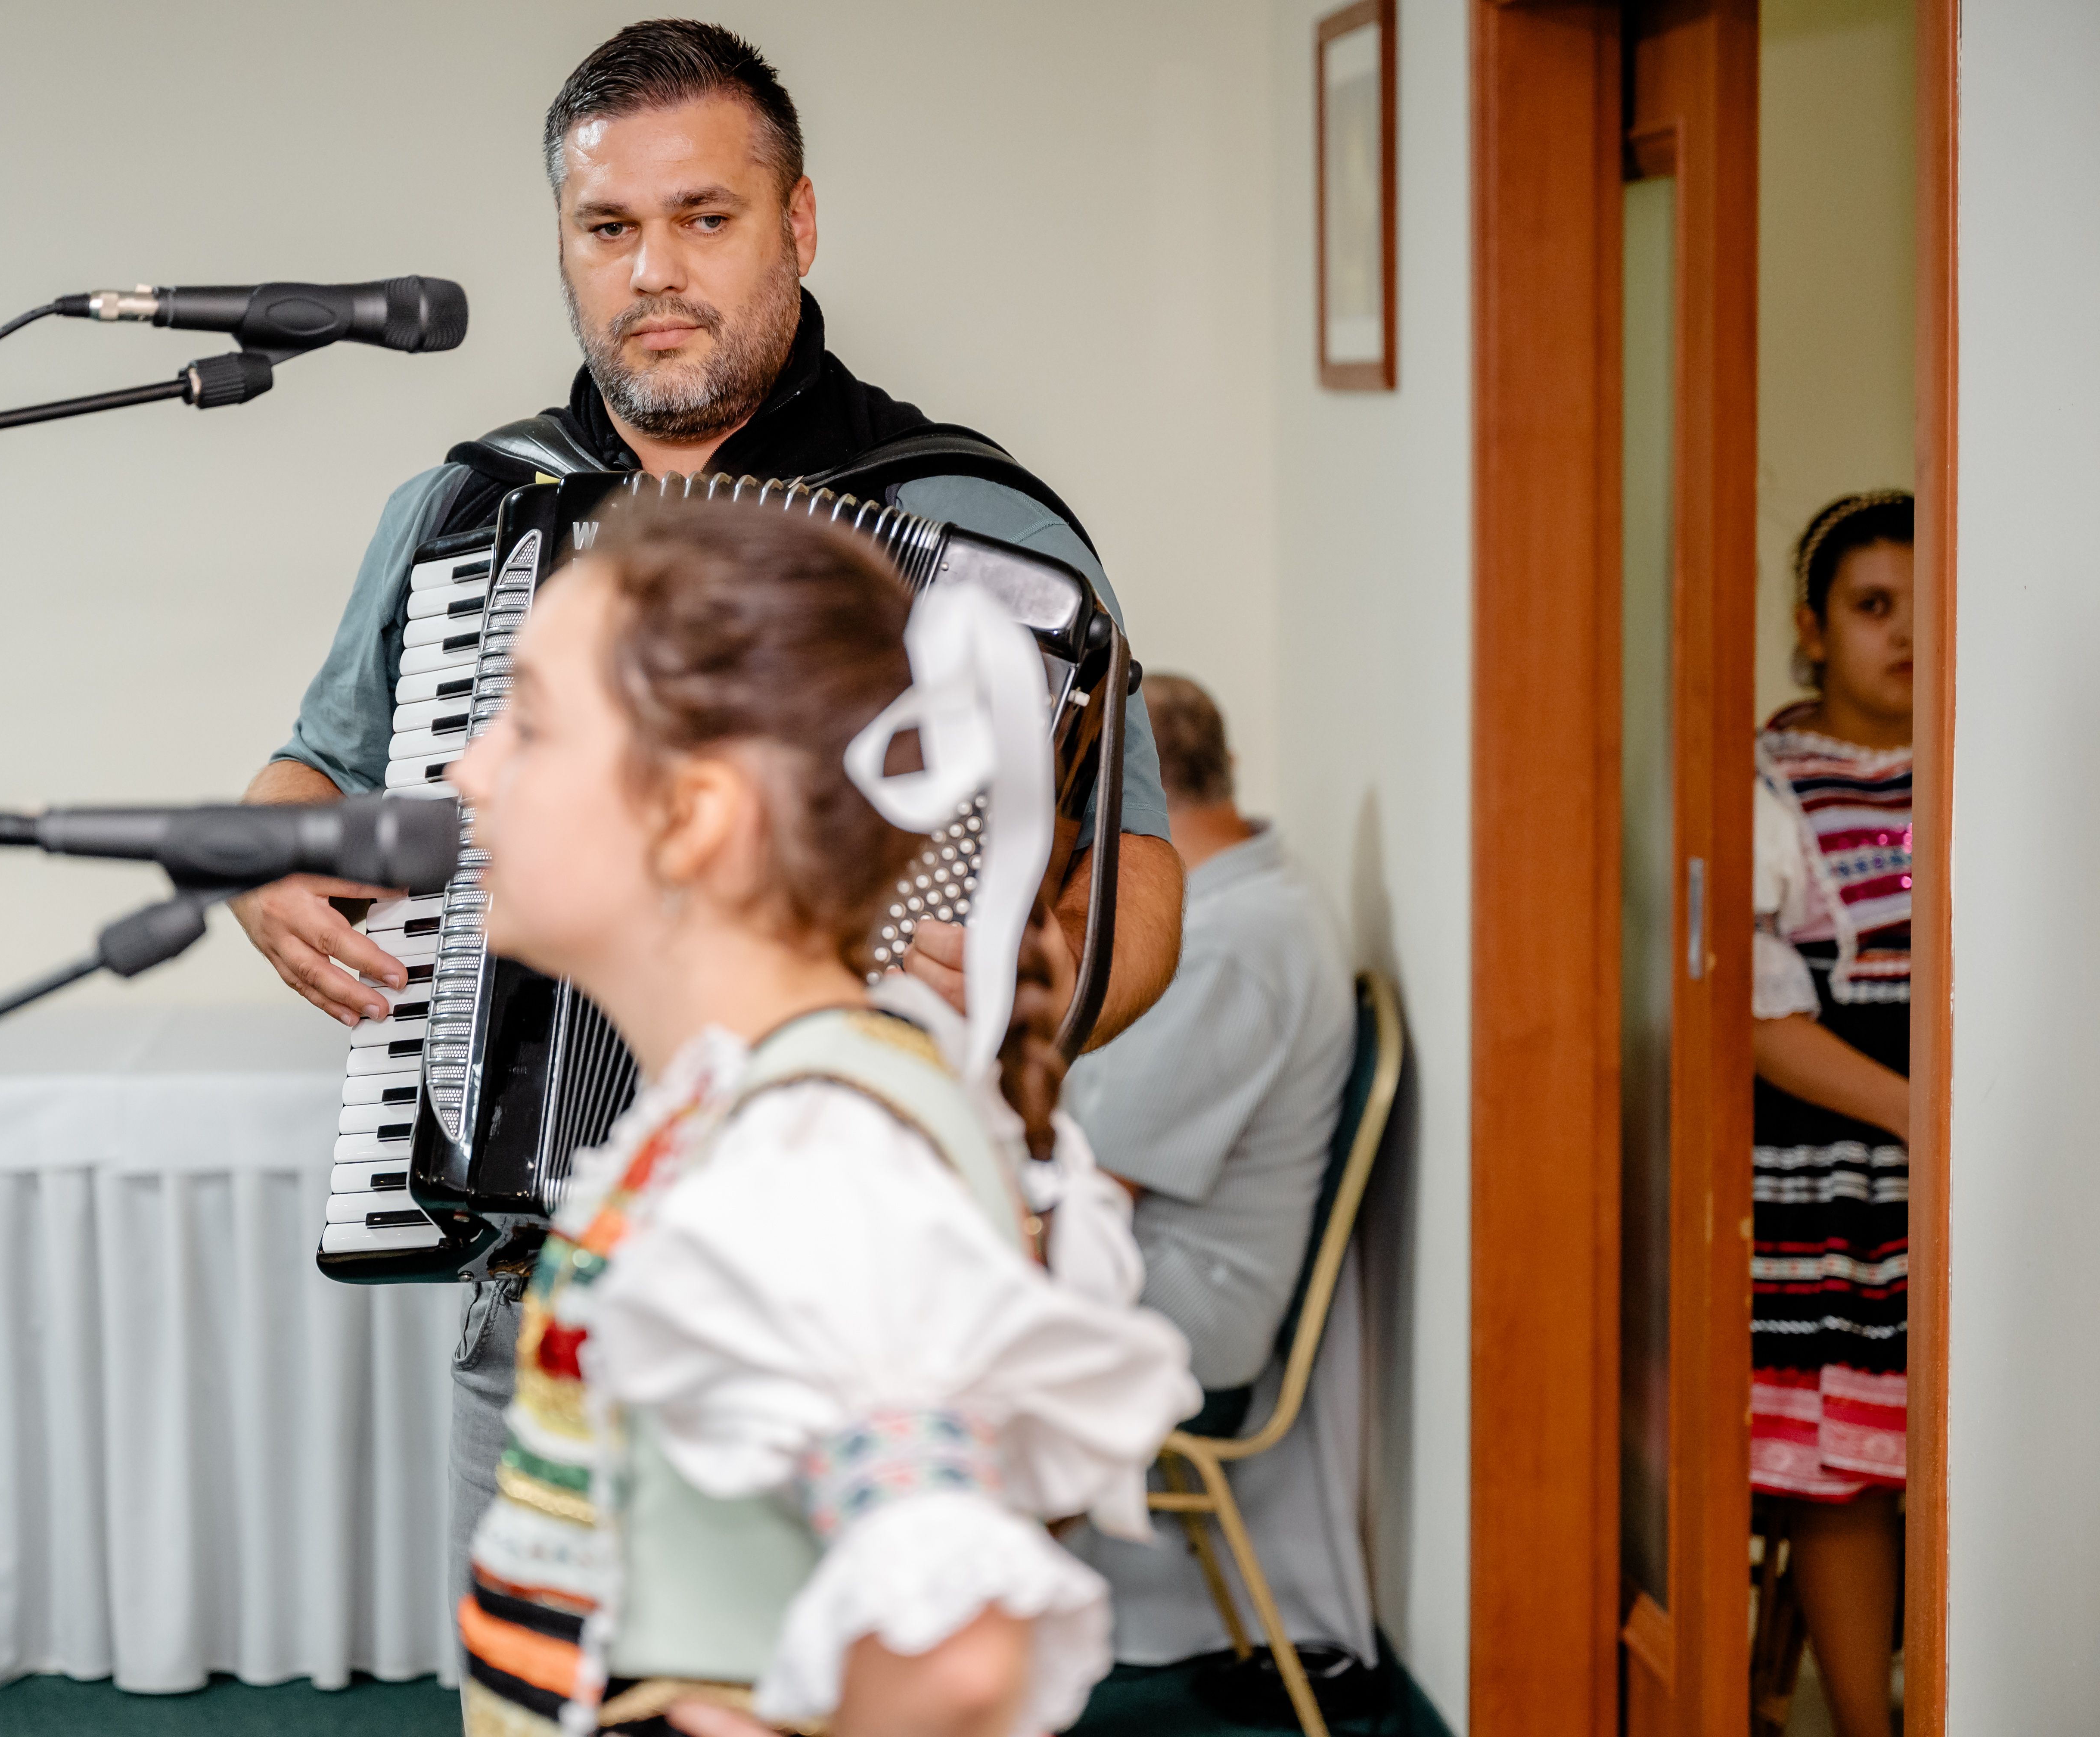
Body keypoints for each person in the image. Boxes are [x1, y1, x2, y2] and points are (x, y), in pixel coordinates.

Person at [227, 19, 1187, 1622]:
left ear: (796, 224)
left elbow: (1134, 887)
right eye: (607, 227)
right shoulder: (464, 514)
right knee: (533, 1694)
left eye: (704, 217)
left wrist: (1014, 1007)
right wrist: (273, 864)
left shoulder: (975, 528)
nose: (652, 270)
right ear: (561, 245)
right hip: (542, 1288)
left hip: (855, 1290)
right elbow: (314, 768)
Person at [441, 497, 1196, 1737]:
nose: (467, 768)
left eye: (528, 723)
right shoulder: (749, 1114)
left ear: (692, 816)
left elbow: (956, 1653)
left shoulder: (812, 1168)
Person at [1059, 676, 1373, 1705]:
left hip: (1192, 1306)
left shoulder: (1235, 942)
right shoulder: (1256, 895)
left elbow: (1102, 1177)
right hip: (1173, 1264)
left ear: (1119, 797)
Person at [1750, 490, 1915, 1737]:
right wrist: (1929, 1121)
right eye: (1872, 606)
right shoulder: (1768, 787)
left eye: (1923, 606)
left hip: (1958, 1166)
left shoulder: (1979, 764)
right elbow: (1754, 1016)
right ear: (1812, 630)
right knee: (1847, 1470)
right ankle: (1868, 1724)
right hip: (1838, 1177)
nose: (1905, 633)